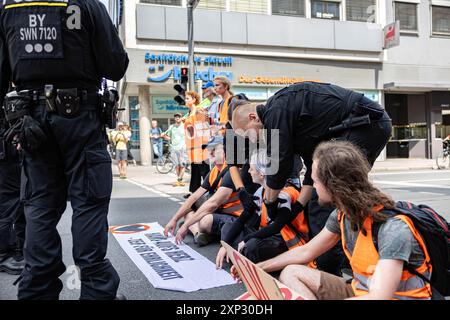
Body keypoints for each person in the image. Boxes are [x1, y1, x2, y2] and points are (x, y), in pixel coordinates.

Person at [0, 0, 129, 300]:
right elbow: (116, 64)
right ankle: (97, 291)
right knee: (88, 204)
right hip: (80, 119)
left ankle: (37, 290)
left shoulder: (10, 8)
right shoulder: (86, 4)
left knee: (39, 208)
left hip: (32, 123)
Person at [231, 82, 392, 275]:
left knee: (329, 197)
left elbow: (279, 165)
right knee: (325, 198)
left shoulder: (276, 110)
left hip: (366, 123)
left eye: (246, 134)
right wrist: (299, 205)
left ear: (252, 118)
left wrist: (270, 202)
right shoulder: (291, 122)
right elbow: (311, 168)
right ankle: (349, 255)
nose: (250, 140)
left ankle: (333, 266)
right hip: (364, 126)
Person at [248, 141, 433, 300]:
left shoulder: (393, 228)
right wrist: (257, 268)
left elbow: (379, 296)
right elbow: (307, 251)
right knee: (290, 272)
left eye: (315, 181)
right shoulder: (342, 214)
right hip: (360, 291)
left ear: (333, 185)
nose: (313, 187)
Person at [216, 149, 309, 269]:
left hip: (285, 240)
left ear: (261, 174)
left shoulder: (285, 192)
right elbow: (245, 215)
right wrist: (225, 244)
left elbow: (276, 227)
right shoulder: (261, 191)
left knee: (251, 246)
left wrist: (246, 239)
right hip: (269, 235)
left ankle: (244, 258)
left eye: (252, 168)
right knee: (228, 227)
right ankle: (240, 256)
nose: (248, 171)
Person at [164, 136, 243, 247]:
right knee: (188, 213)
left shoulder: (232, 170)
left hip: (236, 217)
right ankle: (199, 234)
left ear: (225, 151)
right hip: (220, 213)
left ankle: (201, 230)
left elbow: (212, 204)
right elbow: (194, 197)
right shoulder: (214, 171)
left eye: (214, 149)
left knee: (205, 220)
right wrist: (174, 219)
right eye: (208, 149)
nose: (210, 152)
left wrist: (186, 226)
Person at [0, 111, 25, 275]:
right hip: (6, 149)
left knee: (10, 201)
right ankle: (3, 254)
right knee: (9, 201)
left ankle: (11, 248)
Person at [183, 91, 211, 195]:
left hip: (200, 146)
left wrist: (204, 144)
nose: (186, 100)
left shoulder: (198, 111)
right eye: (185, 98)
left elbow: (203, 127)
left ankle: (210, 191)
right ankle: (194, 192)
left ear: (194, 100)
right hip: (192, 146)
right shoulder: (190, 112)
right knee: (195, 170)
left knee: (204, 170)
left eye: (188, 98)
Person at [162, 113, 187, 186]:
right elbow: (169, 137)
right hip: (173, 148)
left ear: (181, 118)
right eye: (176, 117)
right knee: (177, 165)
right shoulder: (171, 127)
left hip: (183, 147)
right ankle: (179, 180)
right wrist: (164, 136)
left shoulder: (185, 126)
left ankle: (180, 179)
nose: (177, 118)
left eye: (179, 117)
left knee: (182, 165)